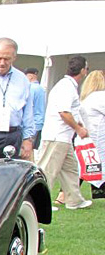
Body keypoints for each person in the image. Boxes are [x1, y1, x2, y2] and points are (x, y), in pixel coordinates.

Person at [37, 56, 92, 211]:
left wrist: (78, 124)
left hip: (64, 137)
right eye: (86, 69)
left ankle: (74, 200)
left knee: (71, 169)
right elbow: (64, 112)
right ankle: (41, 203)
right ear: (82, 70)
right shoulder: (66, 87)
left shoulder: (69, 86)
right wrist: (79, 129)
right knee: (48, 170)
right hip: (56, 136)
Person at [79, 68, 105, 199]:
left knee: (86, 166)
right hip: (99, 138)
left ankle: (98, 193)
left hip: (86, 138)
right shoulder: (100, 97)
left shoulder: (86, 98)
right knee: (96, 166)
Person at [24, 67, 47, 149]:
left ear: (30, 76)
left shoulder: (31, 88)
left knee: (27, 150)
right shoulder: (40, 89)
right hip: (39, 123)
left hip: (33, 124)